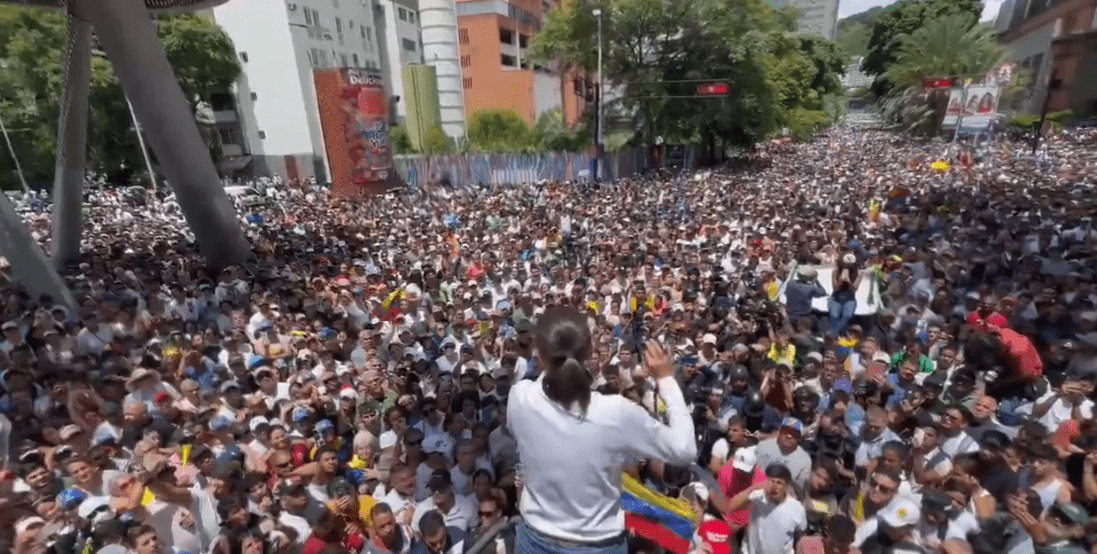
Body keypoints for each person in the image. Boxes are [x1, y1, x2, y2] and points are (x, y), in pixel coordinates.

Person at [506, 306, 697, 552]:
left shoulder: (519, 398)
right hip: (596, 544)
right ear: (590, 350)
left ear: (539, 355)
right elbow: (684, 449)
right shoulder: (615, 412)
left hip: (534, 540)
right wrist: (666, 379)